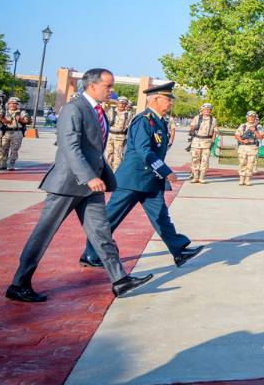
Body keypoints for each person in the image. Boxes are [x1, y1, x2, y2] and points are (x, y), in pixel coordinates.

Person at [6, 68, 153, 302]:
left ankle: (120, 280)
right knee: (43, 233)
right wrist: (88, 176)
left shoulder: (99, 111)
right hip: (67, 183)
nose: (112, 90)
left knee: (101, 232)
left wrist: (100, 176)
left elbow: (94, 149)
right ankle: (19, 283)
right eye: (108, 85)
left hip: (91, 186)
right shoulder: (74, 109)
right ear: (92, 85)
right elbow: (69, 146)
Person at [79, 81, 202, 270]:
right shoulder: (143, 120)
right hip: (133, 179)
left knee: (161, 216)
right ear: (156, 99)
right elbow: (144, 151)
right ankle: (91, 254)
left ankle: (178, 250)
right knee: (111, 218)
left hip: (149, 181)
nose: (171, 103)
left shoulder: (159, 121)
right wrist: (165, 170)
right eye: (168, 99)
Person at [187, 103, 218, 184]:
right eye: (206, 109)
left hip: (207, 142)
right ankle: (195, 177)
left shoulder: (213, 120)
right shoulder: (197, 118)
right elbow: (192, 127)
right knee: (195, 159)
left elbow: (215, 131)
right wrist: (193, 127)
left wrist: (213, 141)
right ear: (202, 110)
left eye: (209, 109)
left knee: (205, 160)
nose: (207, 111)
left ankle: (201, 177)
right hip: (196, 141)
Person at [0, 97, 31, 170]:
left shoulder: (21, 112)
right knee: (3, 148)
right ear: (8, 104)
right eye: (11, 103)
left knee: (14, 150)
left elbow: (28, 121)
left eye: (15, 104)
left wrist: (20, 120)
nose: (13, 105)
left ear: (18, 104)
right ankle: (2, 164)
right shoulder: (4, 111)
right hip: (6, 132)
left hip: (17, 132)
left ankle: (11, 164)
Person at [235, 111, 263, 186]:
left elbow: (260, 137)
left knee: (250, 164)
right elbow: (237, 135)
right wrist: (242, 140)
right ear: (247, 118)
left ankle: (247, 180)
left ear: (255, 118)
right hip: (243, 147)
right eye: (250, 117)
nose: (251, 118)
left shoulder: (258, 127)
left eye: (253, 117)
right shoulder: (243, 126)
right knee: (242, 163)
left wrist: (255, 131)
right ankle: (241, 179)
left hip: (252, 147)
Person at [104, 97, 132, 171]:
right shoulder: (111, 111)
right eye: (120, 103)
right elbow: (106, 122)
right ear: (117, 103)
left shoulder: (128, 114)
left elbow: (129, 126)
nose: (121, 105)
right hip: (110, 135)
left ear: (126, 104)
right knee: (108, 155)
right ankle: (107, 172)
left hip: (120, 137)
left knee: (118, 156)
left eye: (124, 103)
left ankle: (115, 174)